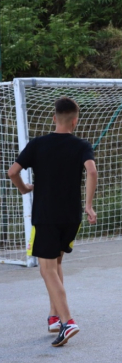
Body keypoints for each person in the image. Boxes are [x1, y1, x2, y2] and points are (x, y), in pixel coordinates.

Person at [8, 97, 98, 346]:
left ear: (53, 117)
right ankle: (54, 316)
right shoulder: (82, 145)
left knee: (45, 269)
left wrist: (25, 189)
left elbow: (12, 171)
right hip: (71, 217)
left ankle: (68, 320)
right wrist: (89, 206)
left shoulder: (38, 144)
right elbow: (91, 171)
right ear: (75, 120)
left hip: (46, 217)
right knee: (56, 264)